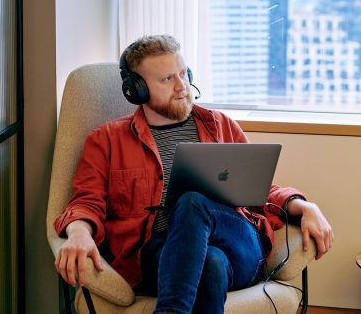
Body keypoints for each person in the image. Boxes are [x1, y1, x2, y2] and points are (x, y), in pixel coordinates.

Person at [54, 34, 333, 314]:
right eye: (167, 80)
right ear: (136, 89)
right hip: (158, 256)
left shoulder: (220, 125)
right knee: (210, 263)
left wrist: (305, 205)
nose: (182, 86)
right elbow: (86, 201)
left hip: (239, 248)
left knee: (191, 202)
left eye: (183, 74)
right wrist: (78, 232)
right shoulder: (106, 141)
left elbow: (261, 189)